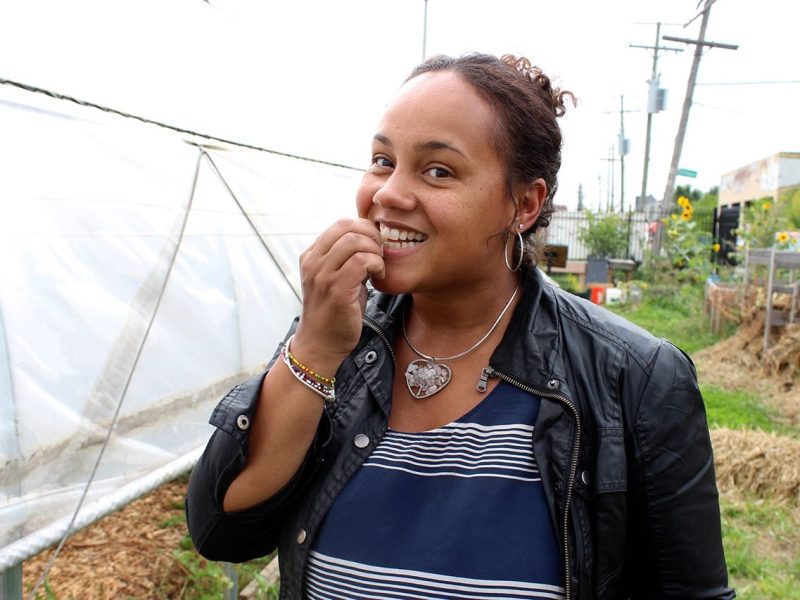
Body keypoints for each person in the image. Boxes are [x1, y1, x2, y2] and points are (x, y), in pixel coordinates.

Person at [186, 53, 734, 599]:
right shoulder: (339, 343)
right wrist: (315, 346)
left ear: (523, 204)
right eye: (382, 160)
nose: (388, 194)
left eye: (438, 170)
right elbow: (224, 528)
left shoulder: (633, 379)